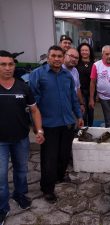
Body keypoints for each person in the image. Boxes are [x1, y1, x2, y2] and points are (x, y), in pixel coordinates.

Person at [29, 45, 83, 204]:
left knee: (64, 155)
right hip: (49, 124)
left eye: (60, 56)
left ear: (64, 57)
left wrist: (78, 115)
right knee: (49, 158)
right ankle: (47, 188)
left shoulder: (67, 76)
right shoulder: (37, 75)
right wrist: (36, 126)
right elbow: (32, 104)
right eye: (54, 56)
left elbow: (73, 98)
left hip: (67, 122)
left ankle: (59, 176)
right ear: (48, 57)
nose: (57, 59)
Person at [0, 50, 44, 224]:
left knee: (21, 170)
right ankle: (3, 208)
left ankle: (20, 195)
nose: (7, 68)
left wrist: (39, 131)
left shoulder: (23, 87)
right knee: (1, 176)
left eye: (10, 64)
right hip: (0, 142)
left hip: (20, 139)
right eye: (3, 64)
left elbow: (34, 110)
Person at [76, 43, 95, 127]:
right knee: (83, 113)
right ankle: (83, 131)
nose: (84, 52)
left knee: (91, 112)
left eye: (86, 50)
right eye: (82, 50)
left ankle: (90, 129)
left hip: (91, 93)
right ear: (79, 52)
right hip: (80, 92)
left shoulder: (94, 64)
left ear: (90, 52)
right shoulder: (76, 64)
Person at [63, 48, 85, 113]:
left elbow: (77, 88)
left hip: (74, 104)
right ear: (64, 56)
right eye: (71, 56)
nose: (74, 59)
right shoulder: (58, 70)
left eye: (76, 58)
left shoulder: (75, 71)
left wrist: (81, 104)